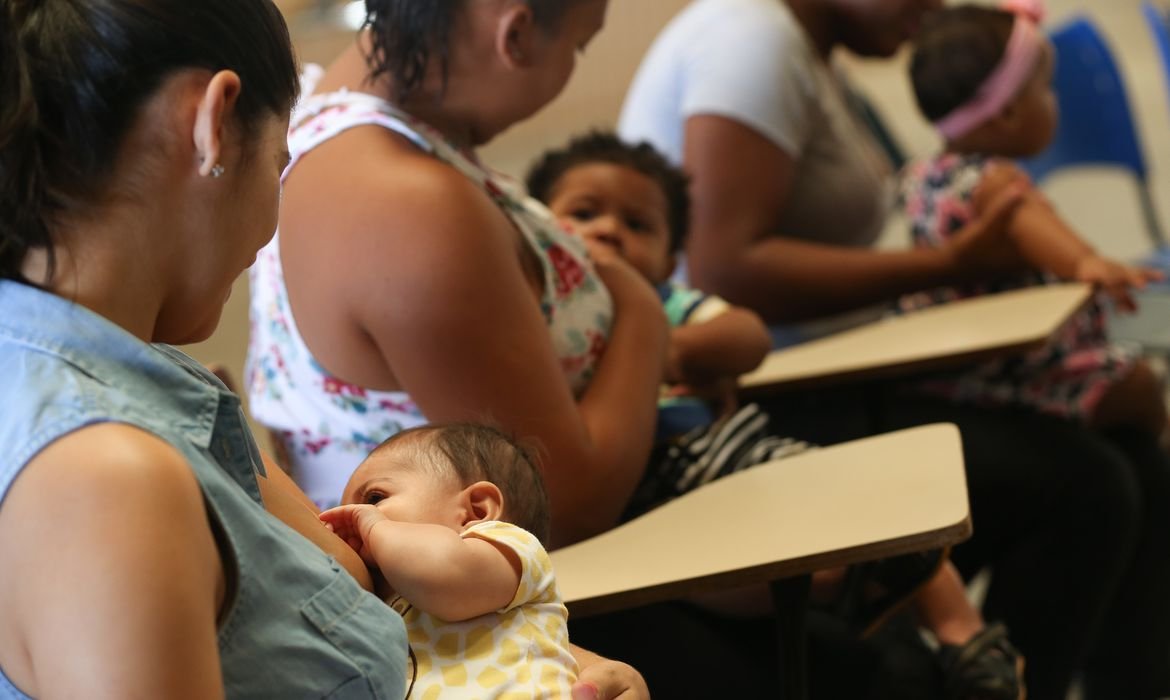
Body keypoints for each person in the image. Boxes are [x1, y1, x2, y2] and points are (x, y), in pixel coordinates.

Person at [0, 1, 645, 698]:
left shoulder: (159, 382)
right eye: (280, 163)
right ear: (212, 124)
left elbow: (367, 591)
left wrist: (555, 661)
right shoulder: (107, 478)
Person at [245, 0, 837, 694]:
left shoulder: (371, 117)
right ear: (518, 32)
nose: (571, 67)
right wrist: (640, 306)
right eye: (579, 47)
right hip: (493, 598)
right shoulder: (405, 203)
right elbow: (565, 500)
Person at [618, 0, 1170, 697]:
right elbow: (727, 270)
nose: (933, 7)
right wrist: (950, 267)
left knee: (1135, 457)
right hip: (770, 407)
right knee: (1087, 485)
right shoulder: (749, 43)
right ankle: (996, 681)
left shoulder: (806, 53)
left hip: (847, 372)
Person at [526, 129, 1025, 699]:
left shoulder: (672, 304)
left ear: (669, 259)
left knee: (878, 505)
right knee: (751, 577)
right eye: (584, 213)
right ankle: (871, 610)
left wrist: (669, 348)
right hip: (645, 494)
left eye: (638, 225)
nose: (608, 230)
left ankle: (965, 637)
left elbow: (748, 334)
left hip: (731, 453)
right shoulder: (553, 321)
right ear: (543, 237)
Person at [901, 1, 1167, 440]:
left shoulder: (921, 177)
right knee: (1136, 384)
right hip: (1021, 364)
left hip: (961, 360)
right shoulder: (997, 181)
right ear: (1006, 114)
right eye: (1045, 88)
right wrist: (1088, 263)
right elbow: (1034, 226)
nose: (1054, 100)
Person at [321, 423, 578, 699]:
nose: (353, 517)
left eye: (374, 498)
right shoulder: (392, 600)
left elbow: (440, 573)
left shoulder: (511, 548)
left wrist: (374, 529)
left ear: (475, 511)